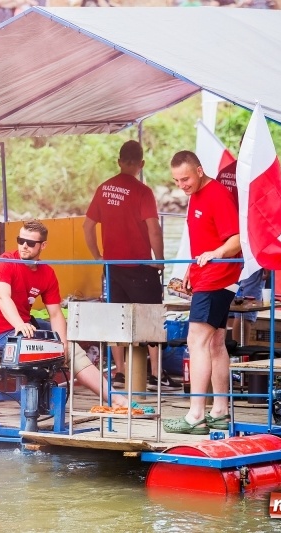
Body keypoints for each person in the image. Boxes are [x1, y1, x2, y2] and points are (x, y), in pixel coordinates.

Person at [0, 220, 128, 408]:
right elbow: (3, 298)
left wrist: (64, 343)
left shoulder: (47, 273)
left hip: (29, 326)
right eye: (20, 240)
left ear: (43, 245)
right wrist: (19, 325)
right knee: (45, 350)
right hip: (3, 332)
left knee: (71, 348)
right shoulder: (4, 262)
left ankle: (115, 398)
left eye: (30, 243)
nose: (24, 246)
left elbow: (55, 314)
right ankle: (39, 405)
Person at [163, 150, 241, 435]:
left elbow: (237, 238)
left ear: (199, 170)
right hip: (208, 274)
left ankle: (195, 414)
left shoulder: (217, 194)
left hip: (218, 275)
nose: (182, 185)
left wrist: (214, 254)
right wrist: (191, 269)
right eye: (176, 180)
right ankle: (219, 411)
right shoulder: (195, 194)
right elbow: (202, 238)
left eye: (185, 178)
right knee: (215, 342)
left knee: (195, 340)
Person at [83, 140, 171, 393]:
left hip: (112, 266)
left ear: (119, 161)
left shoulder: (103, 189)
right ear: (141, 164)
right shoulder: (143, 192)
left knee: (115, 318)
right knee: (152, 317)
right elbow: (154, 229)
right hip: (141, 266)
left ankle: (119, 371)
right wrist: (160, 260)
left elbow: (87, 226)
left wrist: (97, 256)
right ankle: (156, 373)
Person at [216, 145, 263, 345]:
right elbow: (262, 215)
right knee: (246, 309)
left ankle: (226, 359)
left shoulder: (224, 174)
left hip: (225, 246)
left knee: (226, 304)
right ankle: (239, 364)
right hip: (250, 246)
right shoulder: (258, 175)